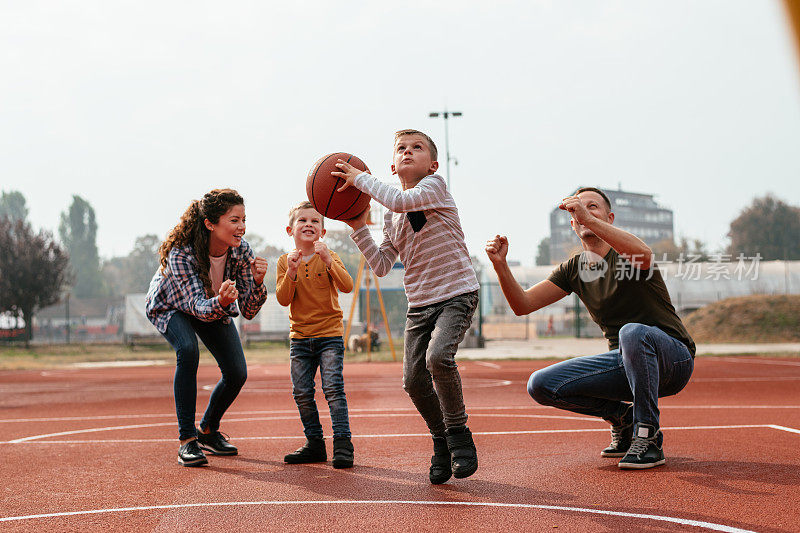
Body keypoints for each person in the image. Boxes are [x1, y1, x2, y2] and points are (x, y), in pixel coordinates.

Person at [485, 187, 695, 469]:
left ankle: (648, 435)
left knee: (632, 332)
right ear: (573, 225)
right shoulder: (574, 269)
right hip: (626, 366)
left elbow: (644, 254)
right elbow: (522, 304)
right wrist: (500, 266)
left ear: (609, 217)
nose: (582, 213)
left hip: (673, 359)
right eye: (577, 211)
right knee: (541, 384)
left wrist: (589, 218)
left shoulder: (627, 255)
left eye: (592, 207)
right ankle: (624, 418)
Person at [334, 129, 481, 484]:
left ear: (432, 164)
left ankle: (459, 434)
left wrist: (360, 180)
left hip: (457, 293)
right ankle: (441, 439)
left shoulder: (434, 187)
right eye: (401, 148)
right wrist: (358, 228)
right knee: (413, 381)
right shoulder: (389, 214)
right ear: (393, 164)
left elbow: (402, 201)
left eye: (417, 148)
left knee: (437, 358)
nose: (408, 152)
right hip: (420, 305)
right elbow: (383, 264)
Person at [145, 189, 268, 467]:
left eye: (244, 220)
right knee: (188, 350)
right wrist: (222, 300)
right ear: (211, 223)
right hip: (171, 305)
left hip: (211, 304)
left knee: (237, 373)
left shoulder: (241, 251)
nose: (242, 228)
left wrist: (258, 283)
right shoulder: (182, 253)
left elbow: (248, 311)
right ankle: (187, 441)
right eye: (234, 220)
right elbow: (196, 305)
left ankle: (208, 430)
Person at [276, 201, 355, 468]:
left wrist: (328, 261)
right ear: (290, 230)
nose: (309, 224)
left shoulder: (330, 256)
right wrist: (293, 271)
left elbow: (347, 286)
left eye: (315, 221)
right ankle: (315, 443)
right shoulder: (284, 262)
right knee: (301, 392)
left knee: (333, 389)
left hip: (329, 335)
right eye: (302, 221)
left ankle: (343, 444)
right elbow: (283, 298)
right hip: (300, 338)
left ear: (323, 232)